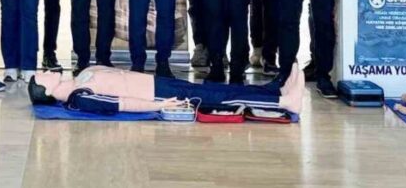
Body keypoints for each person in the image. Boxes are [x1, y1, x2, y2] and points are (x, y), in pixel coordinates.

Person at [28, 63, 304, 116]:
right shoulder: (79, 98)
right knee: (220, 98)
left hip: (156, 83)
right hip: (158, 95)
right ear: (45, 90)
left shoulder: (78, 79)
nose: (46, 71)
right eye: (42, 75)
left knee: (213, 89)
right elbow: (121, 104)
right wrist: (160, 106)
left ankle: (273, 91)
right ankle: (285, 103)